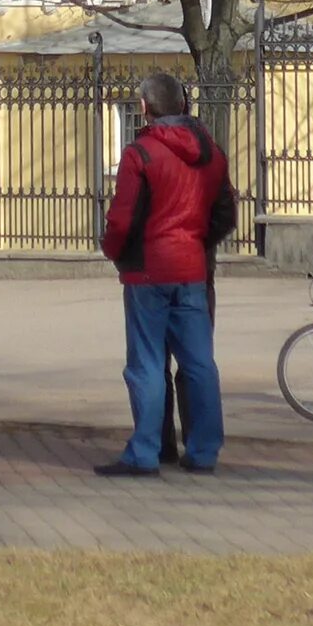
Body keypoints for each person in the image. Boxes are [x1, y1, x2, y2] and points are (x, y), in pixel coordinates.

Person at [96, 71, 235, 477]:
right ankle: (204, 451)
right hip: (192, 267)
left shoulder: (140, 153)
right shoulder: (211, 152)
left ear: (144, 107)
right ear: (184, 105)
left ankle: (145, 452)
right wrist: (197, 240)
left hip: (148, 270)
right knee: (199, 363)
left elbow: (123, 219)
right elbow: (224, 211)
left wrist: (114, 251)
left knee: (146, 363)